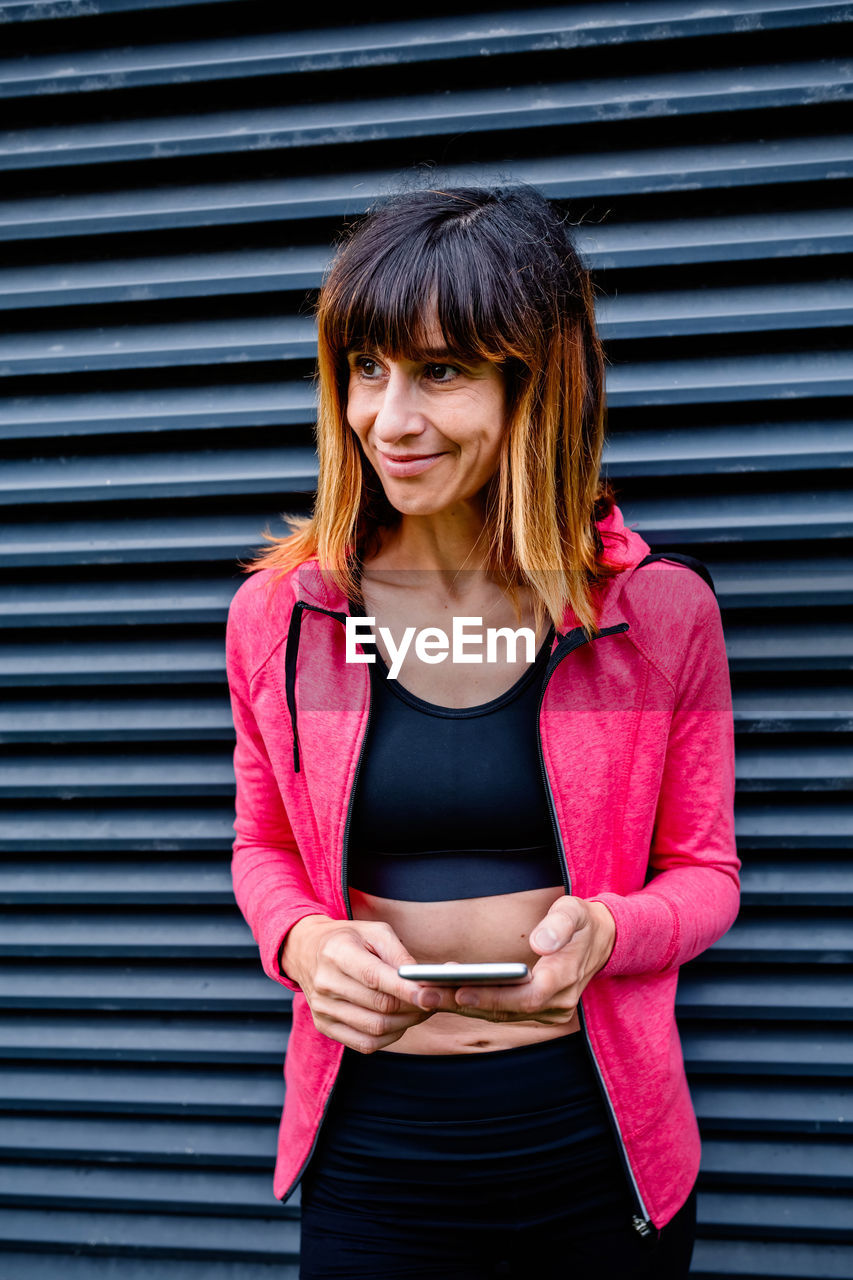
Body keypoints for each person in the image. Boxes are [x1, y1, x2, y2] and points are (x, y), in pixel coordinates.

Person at [225, 185, 739, 1279]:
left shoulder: (652, 614)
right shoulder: (289, 616)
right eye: (367, 367)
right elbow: (261, 845)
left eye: (440, 370)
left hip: (593, 1142)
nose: (388, 419)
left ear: (534, 380)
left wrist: (609, 931)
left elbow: (705, 872)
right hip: (375, 1145)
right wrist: (303, 944)